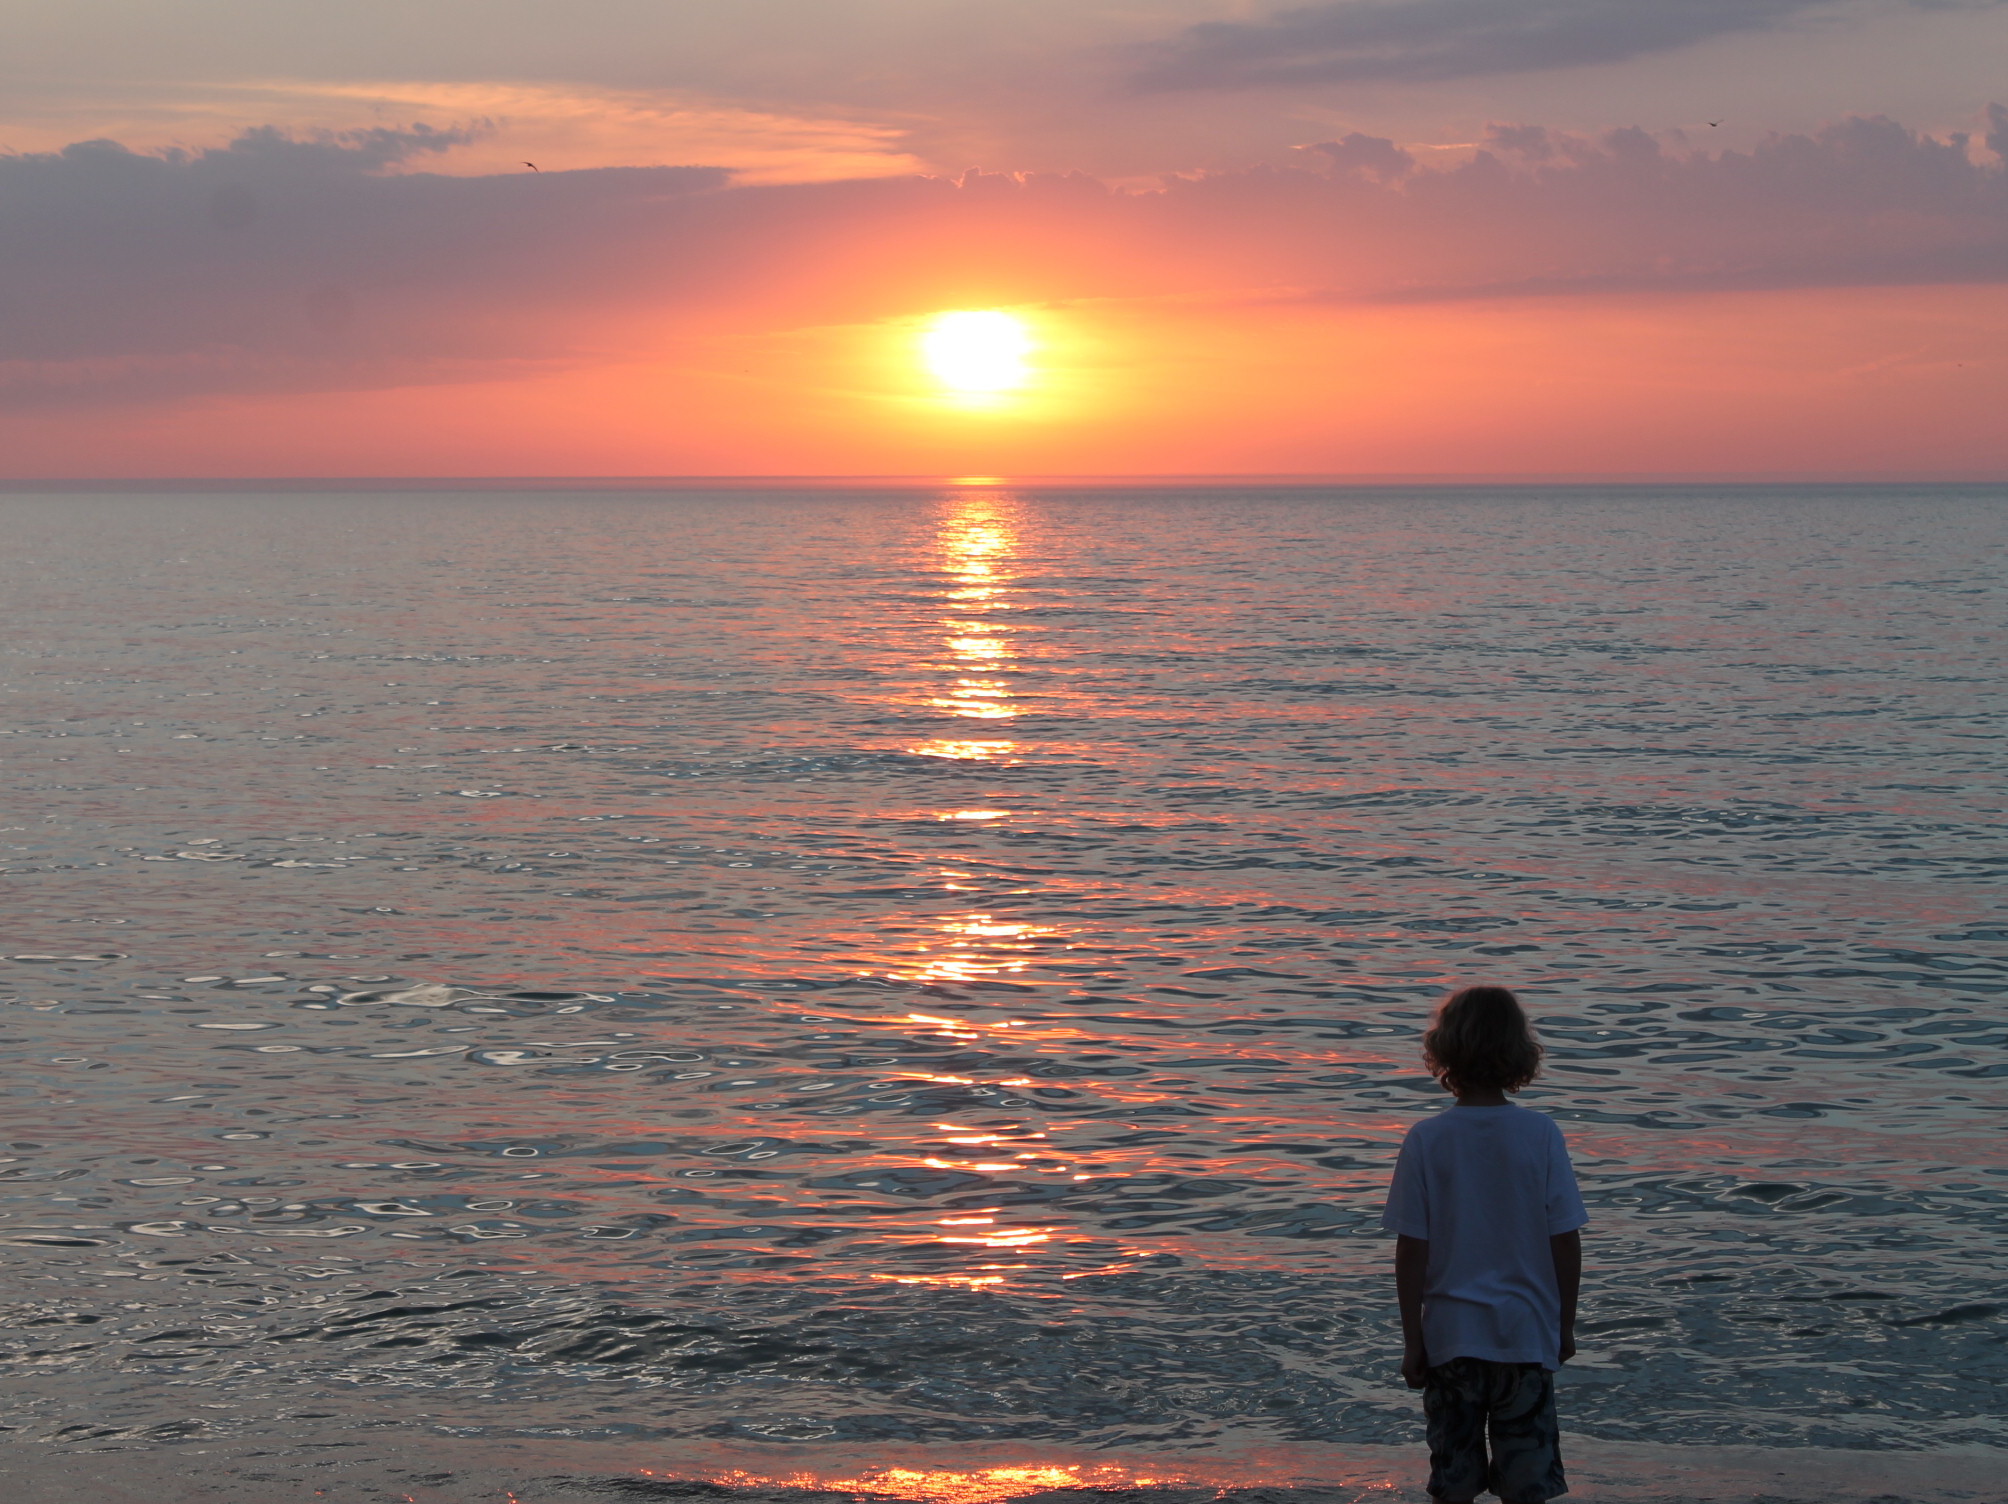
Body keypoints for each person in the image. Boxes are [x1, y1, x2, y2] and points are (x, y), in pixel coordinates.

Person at [1382, 985, 1587, 1504]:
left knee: (1454, 1484)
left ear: (1444, 1051)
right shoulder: (1540, 1133)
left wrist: (1414, 1340)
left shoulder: (1427, 1138)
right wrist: (1563, 1325)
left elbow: (1413, 1249)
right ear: (1520, 1051)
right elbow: (1564, 1239)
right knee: (1528, 1484)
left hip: (1453, 1337)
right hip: (1524, 1333)